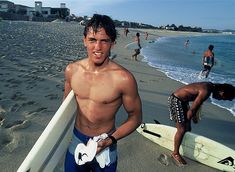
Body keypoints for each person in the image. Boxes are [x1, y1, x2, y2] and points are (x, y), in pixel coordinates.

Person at [63, 14, 142, 172]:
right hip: (77, 139)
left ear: (112, 43)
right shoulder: (72, 71)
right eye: (92, 40)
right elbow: (65, 110)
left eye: (104, 41)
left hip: (106, 143)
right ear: (84, 40)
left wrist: (110, 140)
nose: (97, 47)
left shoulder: (124, 79)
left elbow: (136, 118)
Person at [168, 82, 235, 166]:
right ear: (222, 92)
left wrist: (193, 117)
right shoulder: (206, 90)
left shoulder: (210, 86)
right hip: (176, 100)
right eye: (222, 98)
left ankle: (182, 142)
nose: (220, 100)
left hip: (183, 101)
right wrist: (186, 121)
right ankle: (175, 153)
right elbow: (192, 110)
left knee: (188, 128)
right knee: (182, 128)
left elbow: (197, 103)